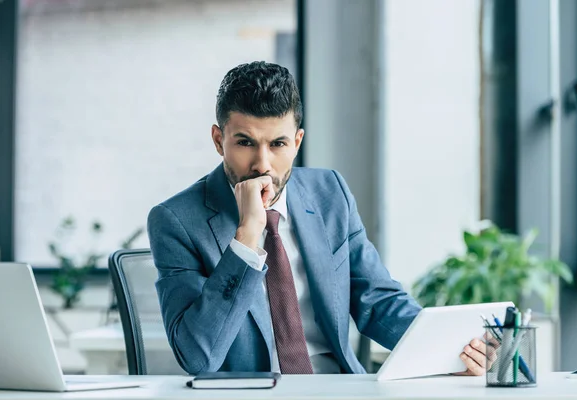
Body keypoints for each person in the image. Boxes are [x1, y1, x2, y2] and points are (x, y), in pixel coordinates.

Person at [147, 61, 489, 375]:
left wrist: (452, 352)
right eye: (246, 142)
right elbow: (197, 356)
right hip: (253, 393)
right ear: (219, 141)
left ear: (297, 142)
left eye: (278, 144)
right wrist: (248, 236)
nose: (262, 164)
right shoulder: (176, 220)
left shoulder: (330, 192)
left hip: (341, 387)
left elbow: (377, 300)